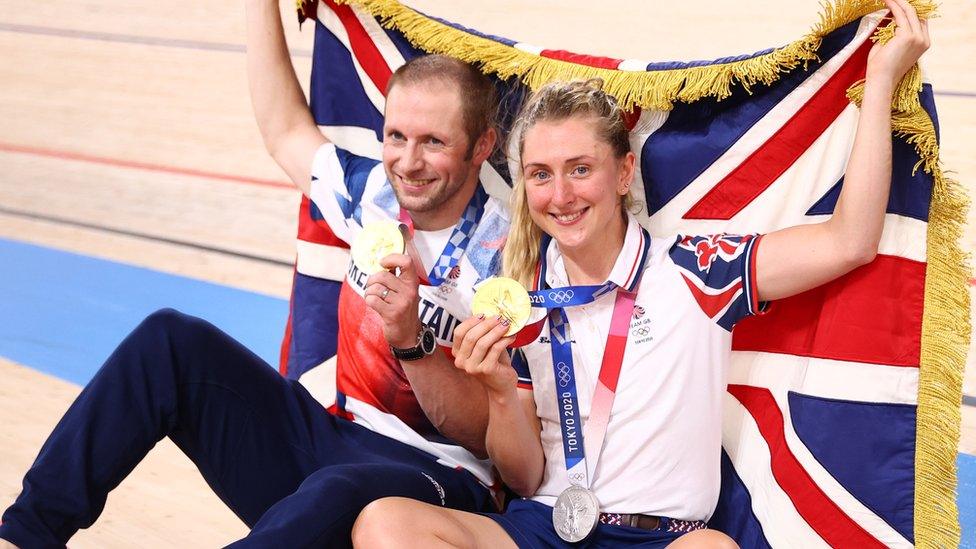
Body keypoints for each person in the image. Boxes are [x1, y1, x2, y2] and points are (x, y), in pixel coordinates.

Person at [350, 1, 929, 546]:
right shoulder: (519, 297)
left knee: (713, 548)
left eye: (581, 169)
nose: (562, 195)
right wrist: (500, 393)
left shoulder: (698, 268)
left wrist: (877, 84)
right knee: (385, 524)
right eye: (541, 175)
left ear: (624, 172)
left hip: (662, 536)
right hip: (547, 525)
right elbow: (524, 479)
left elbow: (849, 242)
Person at [0, 2, 509, 548]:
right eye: (396, 137)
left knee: (334, 488)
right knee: (170, 340)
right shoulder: (370, 195)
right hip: (332, 435)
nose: (408, 161)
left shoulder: (508, 261)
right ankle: (25, 535)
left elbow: (491, 435)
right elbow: (283, 128)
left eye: (433, 141)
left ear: (482, 145)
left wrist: (414, 341)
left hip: (438, 478)